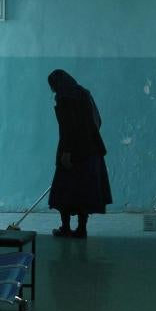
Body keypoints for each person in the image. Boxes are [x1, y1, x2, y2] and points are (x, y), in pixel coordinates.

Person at [47, 70, 112, 238]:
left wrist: (67, 152)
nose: (53, 91)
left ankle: (66, 227)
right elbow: (98, 120)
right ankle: (82, 228)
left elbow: (70, 127)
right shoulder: (84, 94)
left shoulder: (64, 98)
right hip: (91, 151)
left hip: (73, 151)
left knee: (64, 190)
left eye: (52, 86)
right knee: (84, 191)